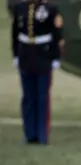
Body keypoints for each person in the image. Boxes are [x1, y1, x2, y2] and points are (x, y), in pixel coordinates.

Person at [11, 0, 64, 145]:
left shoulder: (50, 8)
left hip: (43, 55)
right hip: (25, 55)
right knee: (28, 97)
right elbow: (15, 32)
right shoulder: (19, 7)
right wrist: (16, 54)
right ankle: (29, 134)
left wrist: (55, 57)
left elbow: (57, 33)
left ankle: (42, 134)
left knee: (42, 97)